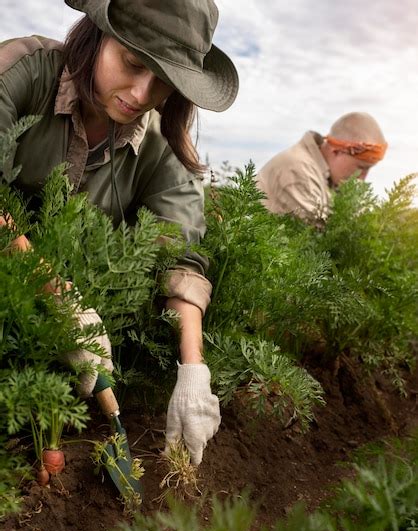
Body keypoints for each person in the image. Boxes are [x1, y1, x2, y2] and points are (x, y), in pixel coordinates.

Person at [0, 0, 239, 466]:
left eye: (164, 82)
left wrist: (193, 366)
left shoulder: (160, 144)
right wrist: (51, 288)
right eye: (133, 63)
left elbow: (180, 254)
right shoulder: (20, 72)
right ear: (97, 34)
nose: (142, 93)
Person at [256, 112, 387, 225]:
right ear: (337, 151)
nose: (363, 178)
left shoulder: (326, 176)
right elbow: (320, 241)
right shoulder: (299, 171)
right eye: (361, 167)